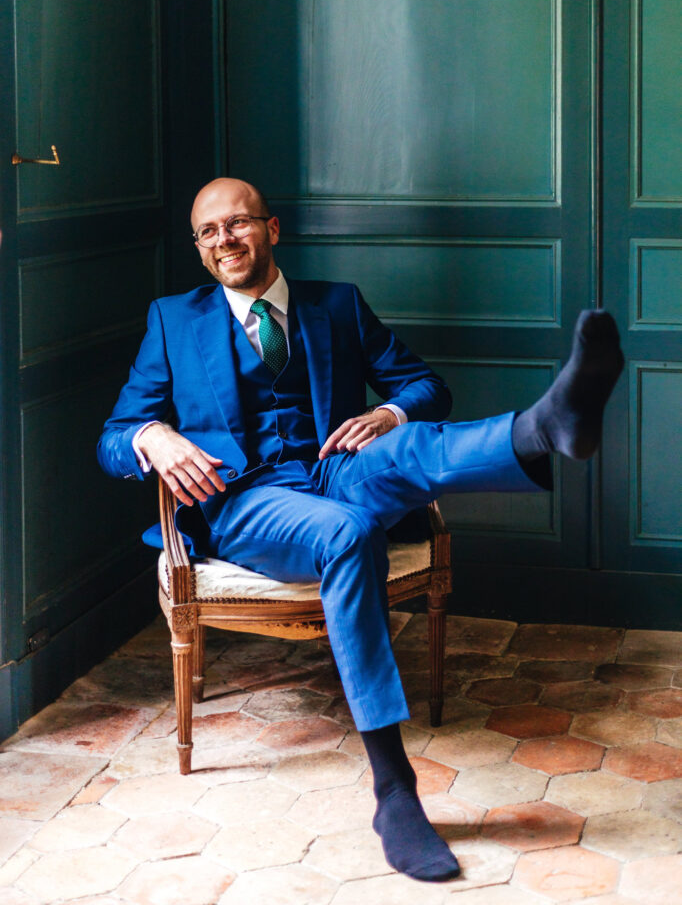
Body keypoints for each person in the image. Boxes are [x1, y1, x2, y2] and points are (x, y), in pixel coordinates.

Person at [98, 177, 624, 882]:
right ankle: (395, 789)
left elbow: (427, 387)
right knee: (348, 533)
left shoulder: (337, 303)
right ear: (199, 248)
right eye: (209, 232)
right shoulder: (173, 321)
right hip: (246, 499)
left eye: (238, 223)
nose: (225, 240)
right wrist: (152, 435)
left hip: (336, 469)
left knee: (407, 447)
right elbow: (112, 437)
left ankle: (543, 428)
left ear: (272, 229)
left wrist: (387, 414)